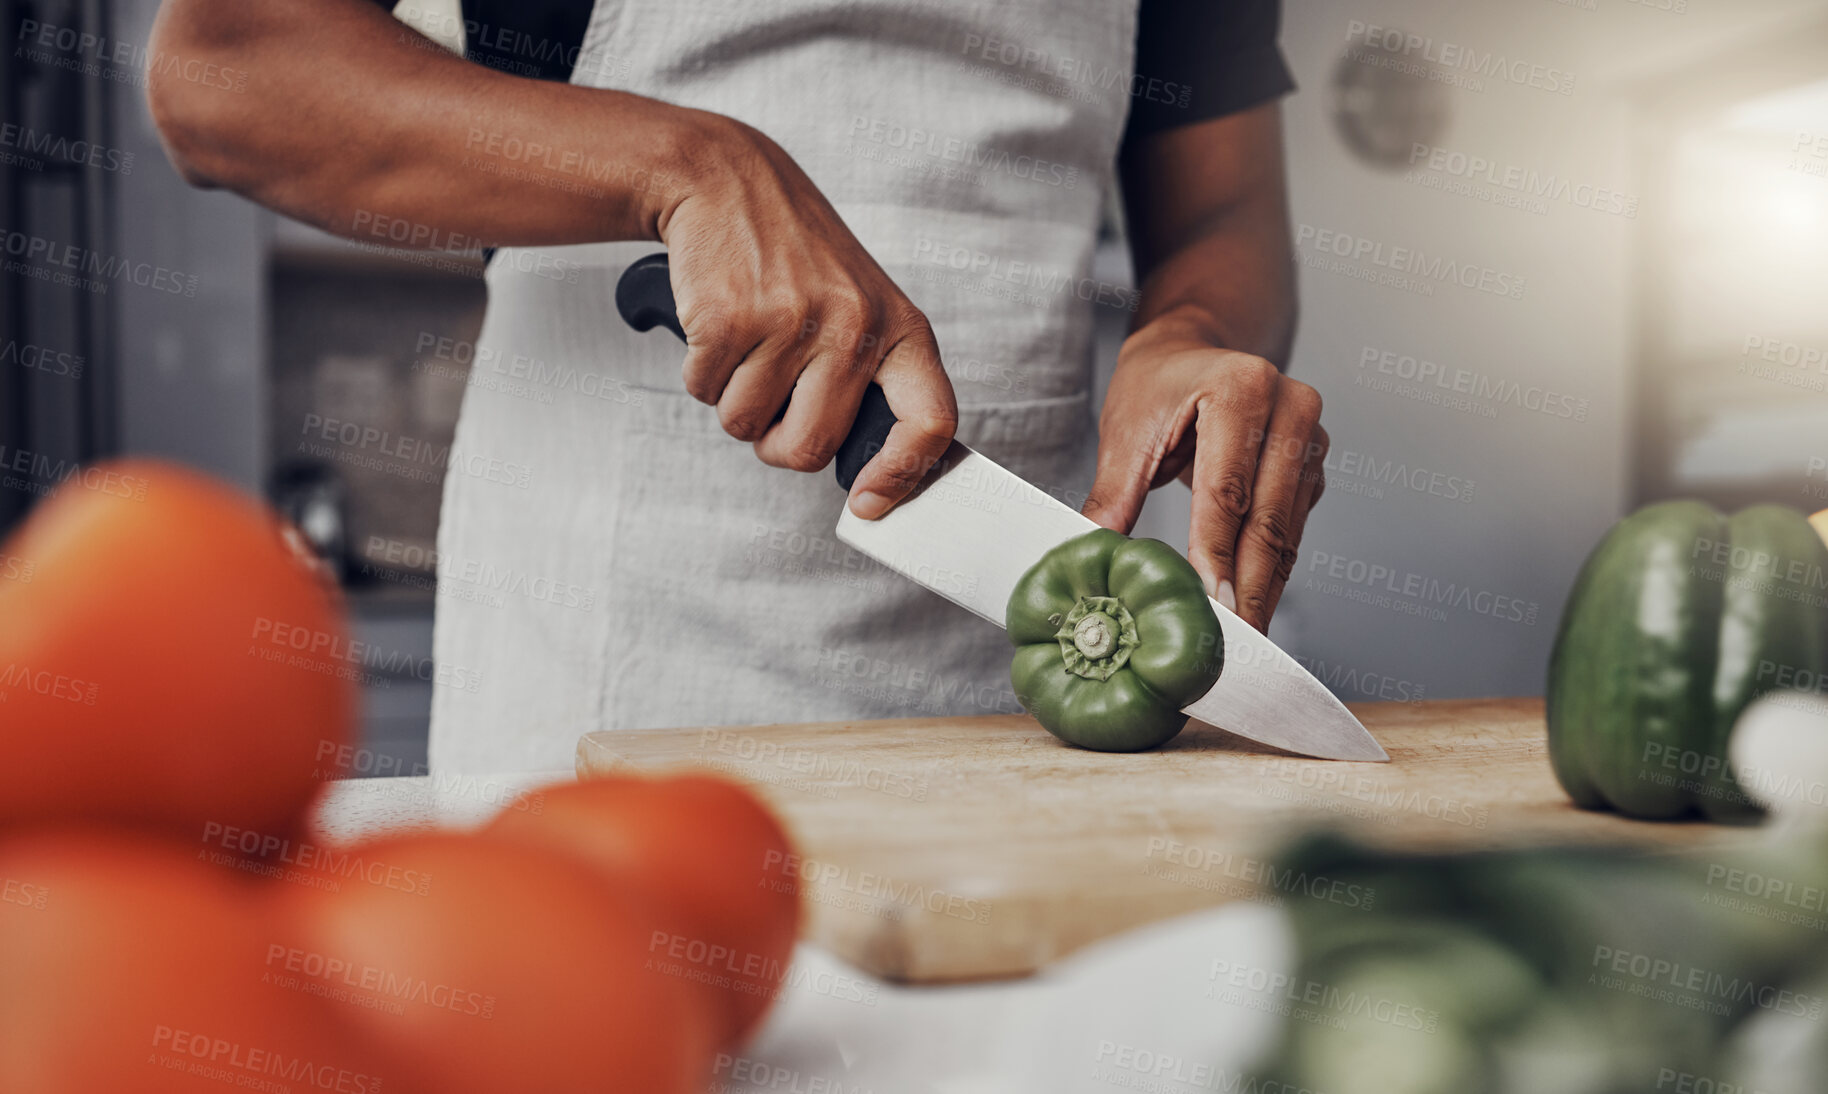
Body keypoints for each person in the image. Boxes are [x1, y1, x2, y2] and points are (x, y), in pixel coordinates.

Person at [148, 0, 1328, 772]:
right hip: (616, 679)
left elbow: (1225, 208)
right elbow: (226, 72)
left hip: (1008, 704)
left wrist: (1190, 331)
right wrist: (689, 167)